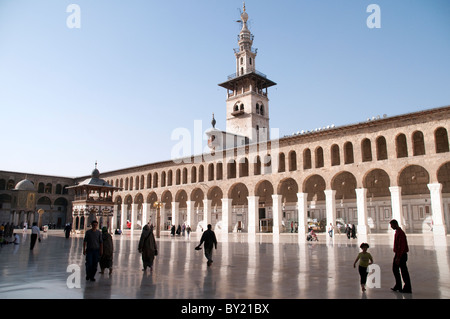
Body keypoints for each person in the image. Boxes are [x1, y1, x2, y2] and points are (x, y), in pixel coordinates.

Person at [390, 219, 412, 293]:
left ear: (395, 224)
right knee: (396, 270)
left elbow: (401, 246)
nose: (391, 227)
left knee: (403, 271)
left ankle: (407, 287)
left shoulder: (400, 233)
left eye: (392, 225)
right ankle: (398, 285)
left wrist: (398, 257)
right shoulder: (398, 232)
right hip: (399, 254)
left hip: (401, 255)